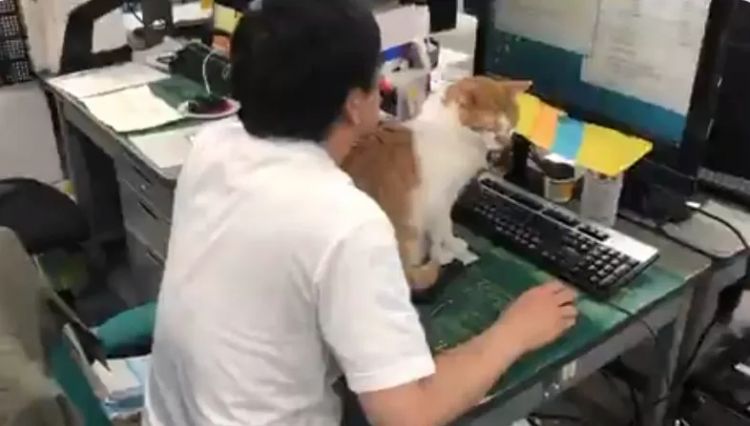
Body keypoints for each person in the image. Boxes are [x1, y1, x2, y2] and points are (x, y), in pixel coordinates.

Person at [143, 0, 578, 425]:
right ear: (355, 104)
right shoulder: (345, 222)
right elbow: (408, 415)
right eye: (377, 76)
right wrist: (512, 333)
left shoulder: (213, 145)